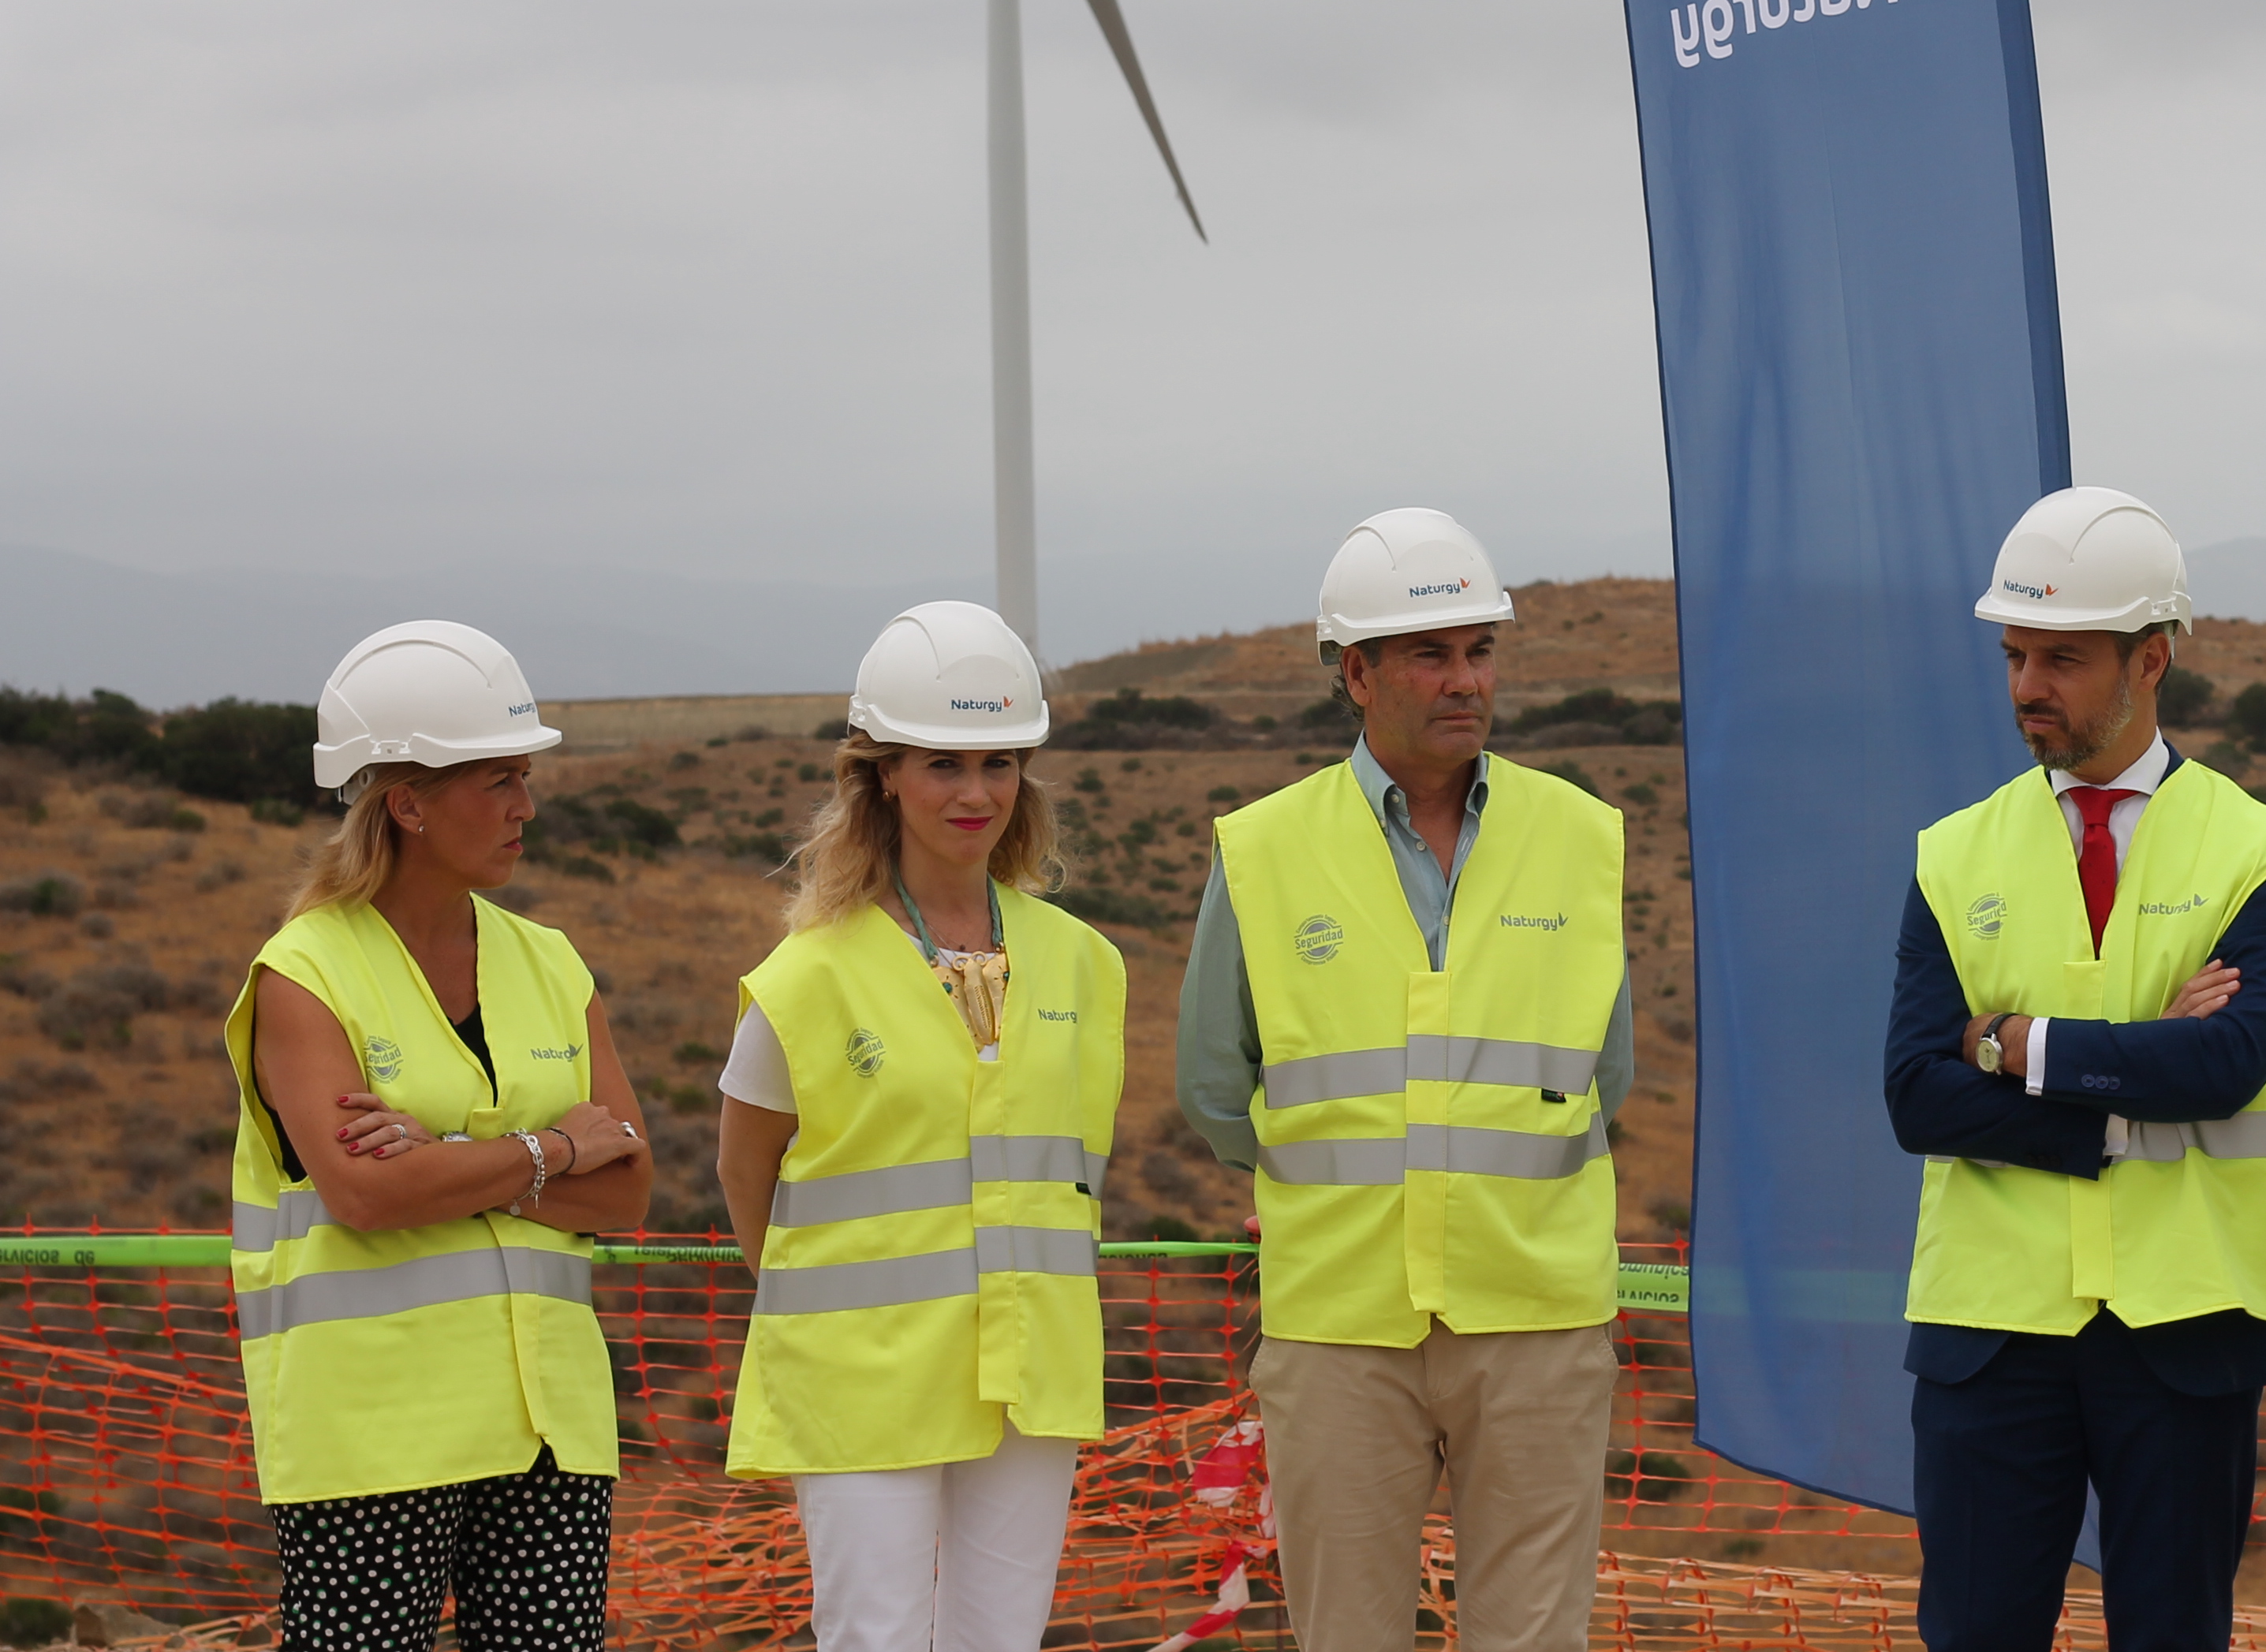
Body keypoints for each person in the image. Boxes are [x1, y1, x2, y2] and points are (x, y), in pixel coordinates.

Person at [1883, 488, 2266, 1652]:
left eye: (2064, 659)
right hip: (1991, 1332)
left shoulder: (2260, 848)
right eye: (2016, 656)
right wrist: (2129, 1097)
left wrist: (2010, 1044)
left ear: (2151, 658)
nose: (2029, 685)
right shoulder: (1951, 854)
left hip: (2189, 1327)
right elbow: (1916, 1094)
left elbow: (2227, 1063)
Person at [1177, 508, 1635, 1652]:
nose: (1465, 680)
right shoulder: (1264, 849)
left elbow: (1606, 1074)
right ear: (1357, 674)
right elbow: (1214, 1088)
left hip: (1537, 1319)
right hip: (1339, 1324)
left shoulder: (1580, 836)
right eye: (1431, 654)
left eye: (1480, 650)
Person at [227, 620, 652, 1652]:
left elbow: (629, 1194)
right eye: (498, 780)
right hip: (371, 1435)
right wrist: (550, 1151)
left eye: (525, 778)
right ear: (407, 804)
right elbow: (366, 1195)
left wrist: (444, 1160)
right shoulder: (304, 974)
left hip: (551, 1434)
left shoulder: (552, 961)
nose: (525, 806)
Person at [717, 601, 1129, 1652]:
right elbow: (746, 1171)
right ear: (885, 775)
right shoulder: (808, 975)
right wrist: (833, 1311)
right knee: (878, 1638)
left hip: (1030, 1374)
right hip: (861, 1380)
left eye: (999, 764)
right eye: (944, 764)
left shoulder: (1085, 963)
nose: (976, 793)